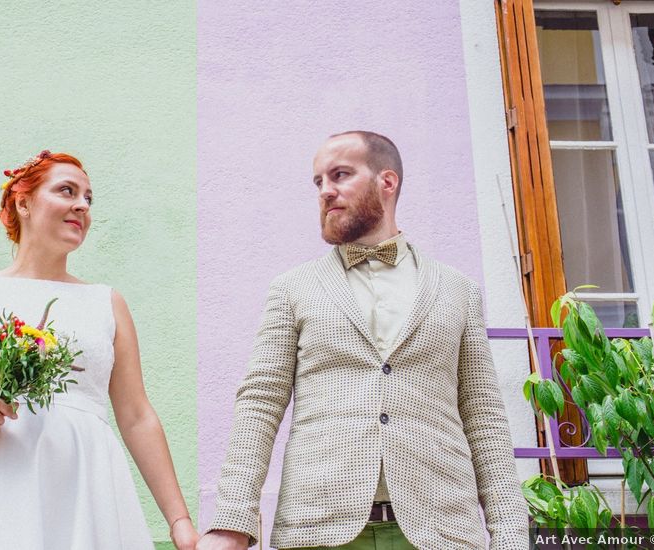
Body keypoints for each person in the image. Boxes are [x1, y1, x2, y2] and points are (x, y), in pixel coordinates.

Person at [198, 132, 529, 549]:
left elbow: (484, 417)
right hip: (317, 529)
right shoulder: (292, 288)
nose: (325, 191)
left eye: (339, 175)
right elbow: (259, 403)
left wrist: (511, 534)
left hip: (441, 531)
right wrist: (232, 521)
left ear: (386, 182)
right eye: (318, 182)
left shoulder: (458, 290)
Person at [0, 150, 198, 550]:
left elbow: (136, 416)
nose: (82, 205)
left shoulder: (107, 303)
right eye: (67, 191)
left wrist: (179, 521)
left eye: (88, 198)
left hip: (82, 487)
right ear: (23, 202)